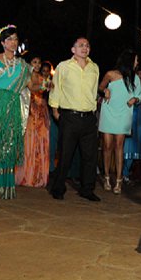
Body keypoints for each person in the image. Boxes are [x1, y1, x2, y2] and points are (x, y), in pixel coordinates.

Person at [0, 25, 39, 199]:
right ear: (3, 42)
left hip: (12, 106)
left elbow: (31, 87)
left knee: (8, 145)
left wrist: (44, 85)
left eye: (15, 39)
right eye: (10, 39)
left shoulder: (23, 65)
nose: (13, 42)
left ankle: (4, 184)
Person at [48, 37, 101, 201]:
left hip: (89, 118)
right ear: (73, 50)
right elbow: (56, 88)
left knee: (90, 157)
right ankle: (58, 188)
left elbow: (93, 92)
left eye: (87, 45)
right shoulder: (63, 66)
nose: (84, 48)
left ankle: (87, 189)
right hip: (69, 116)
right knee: (65, 154)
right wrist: (55, 109)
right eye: (81, 45)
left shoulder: (94, 67)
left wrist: (94, 108)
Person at [99, 49, 141, 194]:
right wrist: (105, 91)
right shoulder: (110, 74)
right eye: (136, 60)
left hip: (124, 113)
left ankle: (118, 181)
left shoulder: (135, 78)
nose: (137, 62)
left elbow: (140, 96)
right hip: (108, 111)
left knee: (119, 146)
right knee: (107, 146)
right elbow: (100, 87)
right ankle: (106, 177)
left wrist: (135, 99)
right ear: (128, 61)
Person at [15, 54, 51, 188]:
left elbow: (46, 89)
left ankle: (37, 175)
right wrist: (43, 86)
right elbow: (32, 88)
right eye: (34, 62)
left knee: (40, 141)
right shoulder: (26, 75)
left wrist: (49, 86)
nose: (37, 65)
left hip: (41, 111)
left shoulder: (42, 77)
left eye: (39, 62)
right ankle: (26, 175)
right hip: (29, 109)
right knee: (29, 141)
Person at [122, 64, 141, 184]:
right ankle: (122, 173)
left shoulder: (140, 90)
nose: (139, 77)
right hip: (128, 115)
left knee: (133, 146)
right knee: (126, 144)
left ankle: (126, 173)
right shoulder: (125, 81)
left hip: (137, 118)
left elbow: (140, 99)